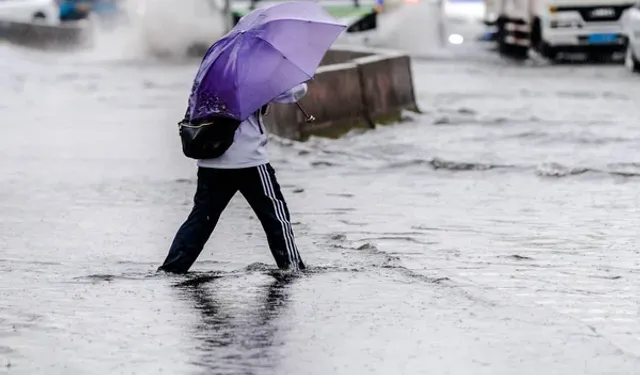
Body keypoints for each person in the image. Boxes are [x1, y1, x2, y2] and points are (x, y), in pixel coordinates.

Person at [158, 83, 309, 274]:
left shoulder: (208, 77)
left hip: (211, 161)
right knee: (276, 218)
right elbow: (293, 92)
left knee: (200, 220)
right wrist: (300, 80)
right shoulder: (254, 78)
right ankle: (292, 267)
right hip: (249, 161)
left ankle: (172, 269)